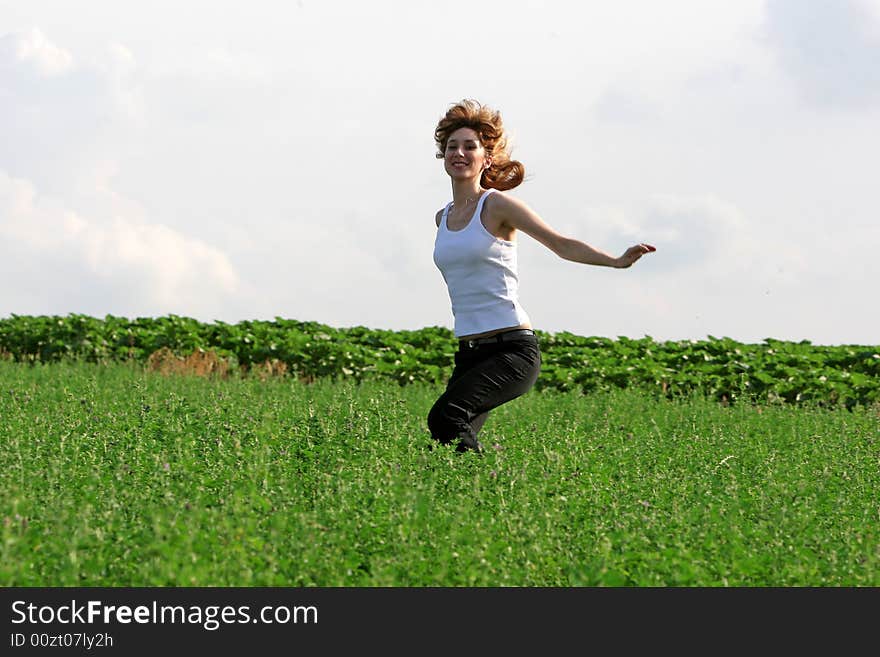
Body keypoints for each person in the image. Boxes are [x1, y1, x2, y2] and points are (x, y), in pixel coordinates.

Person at [428, 99, 656, 454]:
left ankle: (493, 475)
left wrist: (615, 261)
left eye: (469, 146)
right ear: (443, 157)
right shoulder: (442, 218)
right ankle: (487, 491)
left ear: (486, 157)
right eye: (451, 147)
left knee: (445, 417)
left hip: (511, 350)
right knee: (446, 448)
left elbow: (560, 244)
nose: (459, 153)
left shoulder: (497, 206)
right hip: (469, 351)